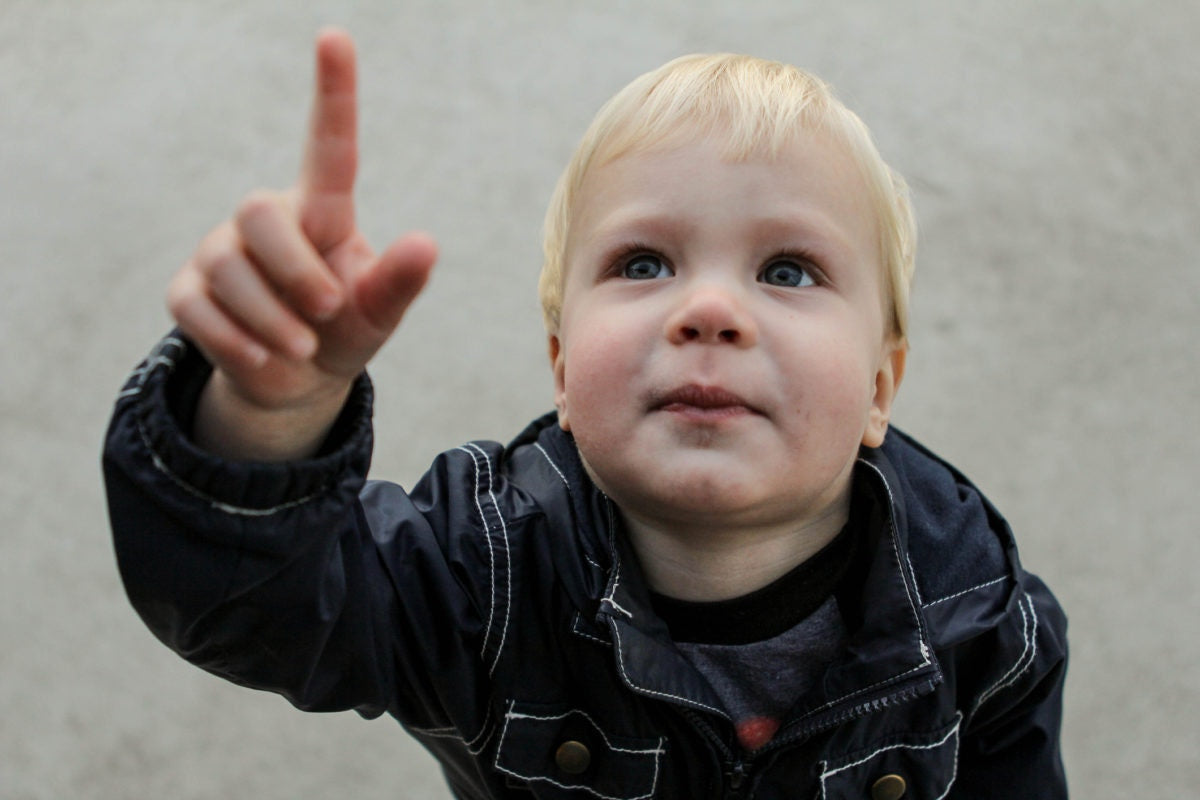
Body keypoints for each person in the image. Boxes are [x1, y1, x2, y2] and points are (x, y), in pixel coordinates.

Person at [103, 28, 1068, 798]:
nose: (710, 311)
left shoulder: (984, 628)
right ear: (562, 368)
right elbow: (249, 606)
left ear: (879, 391)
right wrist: (269, 414)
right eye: (643, 263)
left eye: (789, 270)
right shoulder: (474, 573)